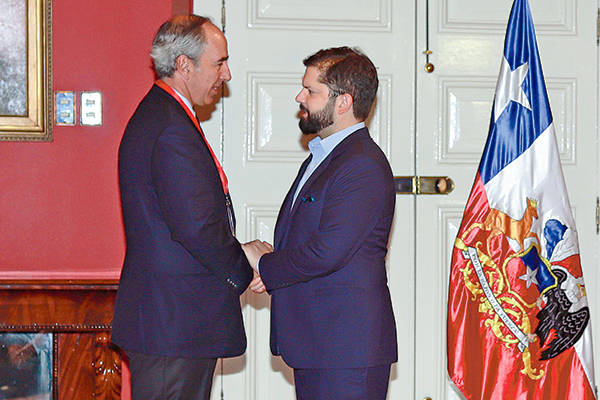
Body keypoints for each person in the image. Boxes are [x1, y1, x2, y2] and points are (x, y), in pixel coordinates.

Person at [111, 15, 254, 400]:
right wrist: (246, 268)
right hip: (173, 326)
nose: (226, 74)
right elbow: (197, 228)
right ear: (184, 65)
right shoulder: (171, 126)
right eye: (219, 62)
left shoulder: (161, 115)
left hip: (170, 323)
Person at [243, 47, 398, 400]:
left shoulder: (362, 165)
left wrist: (265, 264)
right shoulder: (326, 155)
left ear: (343, 102)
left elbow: (327, 250)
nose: (300, 97)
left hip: (346, 350)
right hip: (322, 344)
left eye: (311, 91)